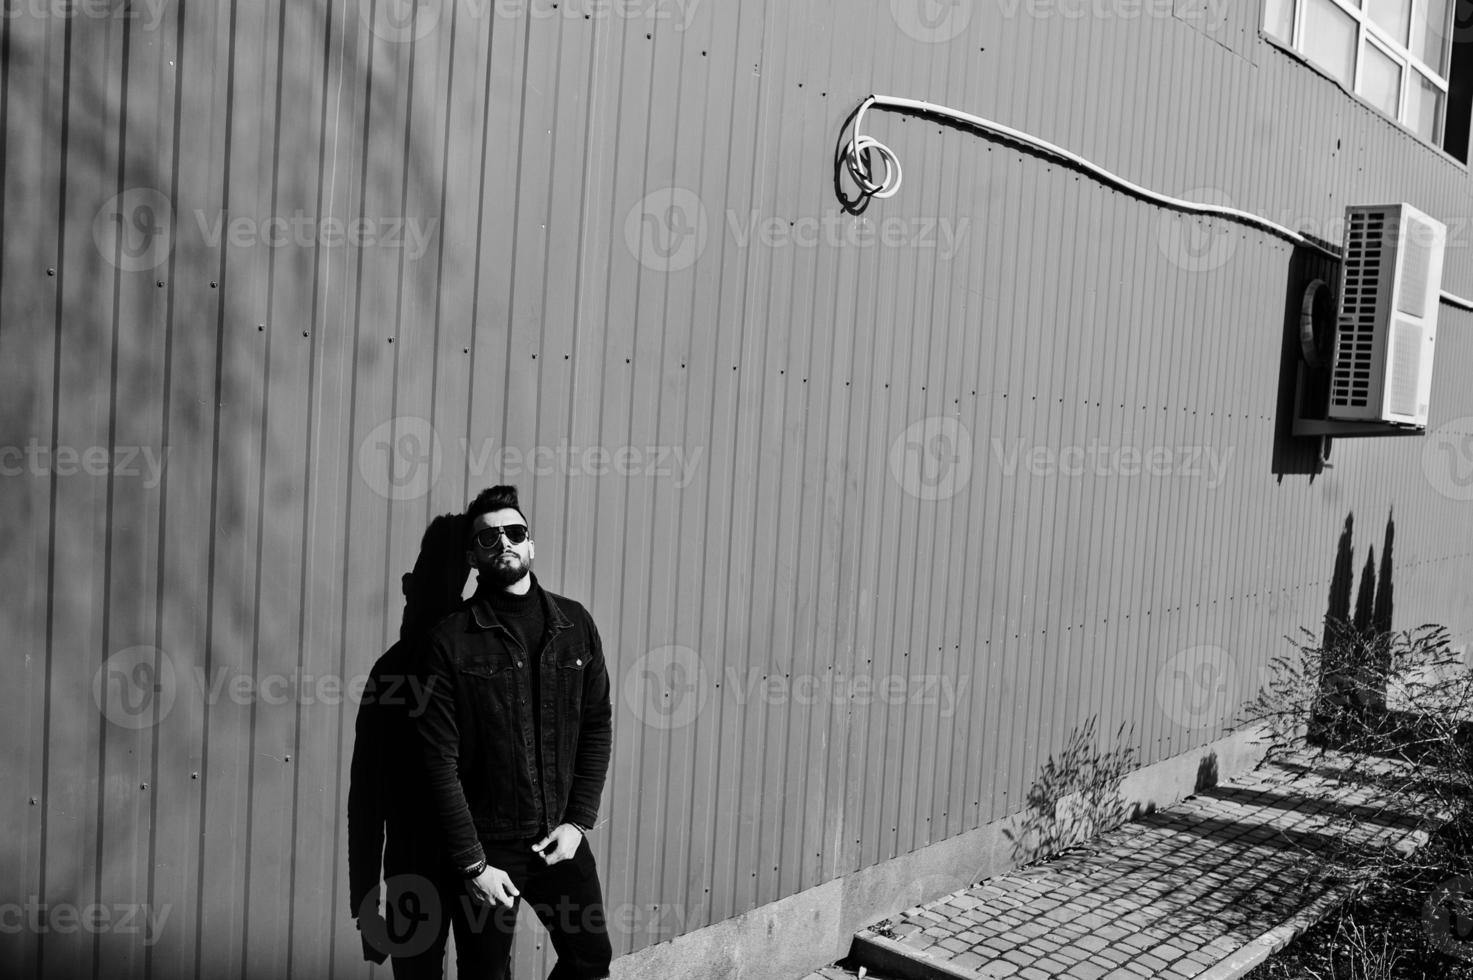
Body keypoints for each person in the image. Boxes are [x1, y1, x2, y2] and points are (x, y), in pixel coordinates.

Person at [416, 485, 614, 979]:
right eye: (488, 538)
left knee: (591, 961)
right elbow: (437, 760)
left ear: (530, 544)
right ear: (472, 556)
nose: (503, 542)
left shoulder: (575, 625)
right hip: (487, 849)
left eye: (515, 532)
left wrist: (577, 823)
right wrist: (474, 866)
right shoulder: (449, 640)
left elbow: (596, 724)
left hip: (559, 840)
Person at [348, 512, 471, 977]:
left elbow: (366, 797)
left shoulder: (396, 668)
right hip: (458, 862)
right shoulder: (405, 668)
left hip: (439, 864)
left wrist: (365, 902)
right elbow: (367, 794)